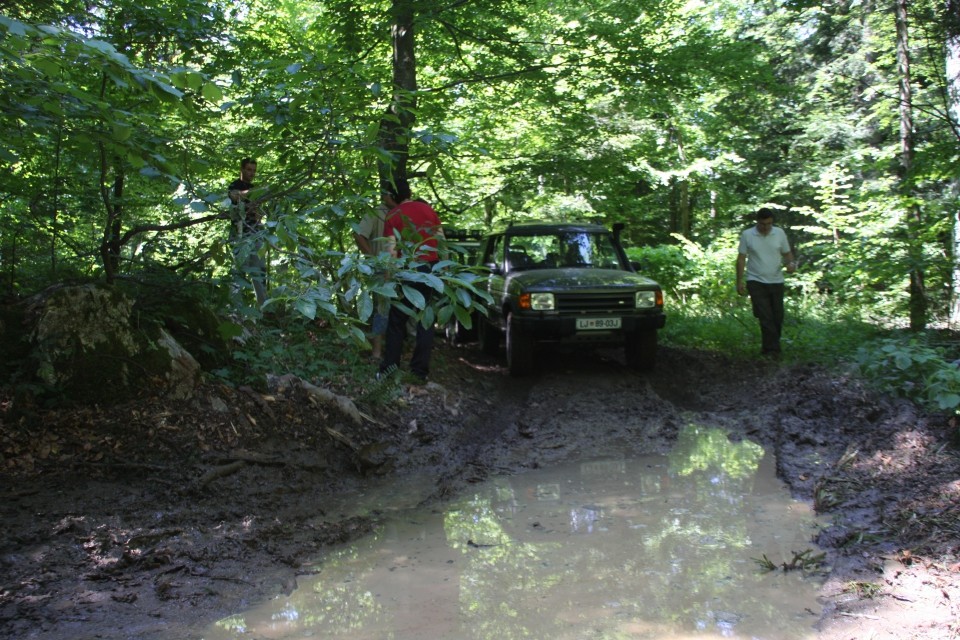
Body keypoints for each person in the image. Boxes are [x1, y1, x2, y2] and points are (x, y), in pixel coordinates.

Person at [378, 178, 444, 382]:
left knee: (397, 321)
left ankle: (390, 370)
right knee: (426, 320)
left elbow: (391, 250)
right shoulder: (428, 210)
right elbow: (441, 241)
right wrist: (445, 271)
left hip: (406, 270)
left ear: (392, 196)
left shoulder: (393, 214)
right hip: (431, 269)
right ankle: (419, 372)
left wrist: (390, 280)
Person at [736, 208, 796, 357]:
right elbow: (741, 258)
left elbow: (787, 253)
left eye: (769, 224)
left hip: (776, 280)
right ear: (757, 222)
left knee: (778, 316)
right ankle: (772, 351)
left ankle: (769, 347)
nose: (766, 227)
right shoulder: (747, 235)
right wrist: (739, 281)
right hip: (755, 280)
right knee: (765, 316)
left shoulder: (779, 233)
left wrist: (791, 264)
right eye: (763, 224)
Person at [228, 157, 267, 305]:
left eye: (254, 170)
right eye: (249, 170)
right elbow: (234, 196)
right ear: (242, 169)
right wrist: (254, 192)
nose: (252, 173)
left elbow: (259, 212)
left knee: (259, 271)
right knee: (239, 271)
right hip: (239, 234)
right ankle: (234, 307)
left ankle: (264, 308)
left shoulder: (254, 188)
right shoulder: (235, 185)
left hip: (256, 233)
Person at [354, 204, 390, 360]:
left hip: (403, 271)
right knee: (381, 311)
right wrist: (373, 259)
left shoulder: (405, 210)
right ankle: (377, 352)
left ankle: (393, 351)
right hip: (382, 270)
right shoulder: (378, 212)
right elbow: (359, 234)